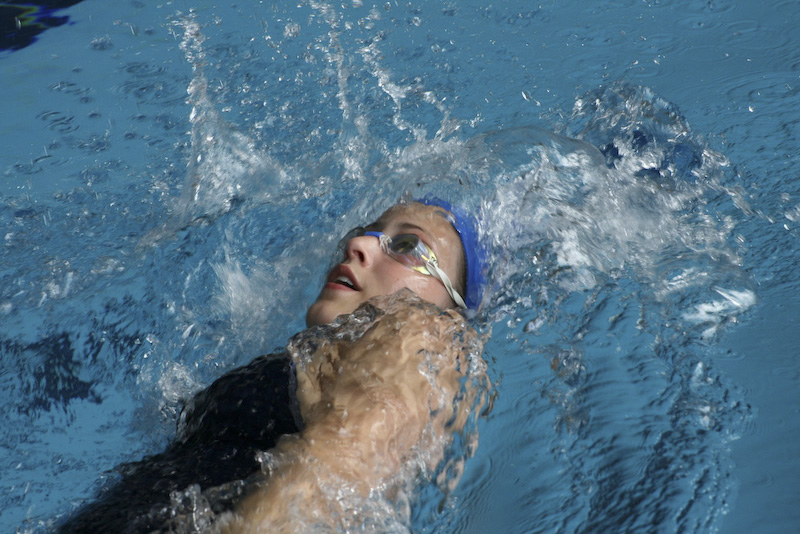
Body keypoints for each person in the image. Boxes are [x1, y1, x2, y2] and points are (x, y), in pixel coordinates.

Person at [59, 199, 487, 533]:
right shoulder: (333, 359)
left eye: (409, 245)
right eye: (365, 231)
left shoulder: (421, 335)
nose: (359, 245)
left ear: (452, 309)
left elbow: (334, 476)